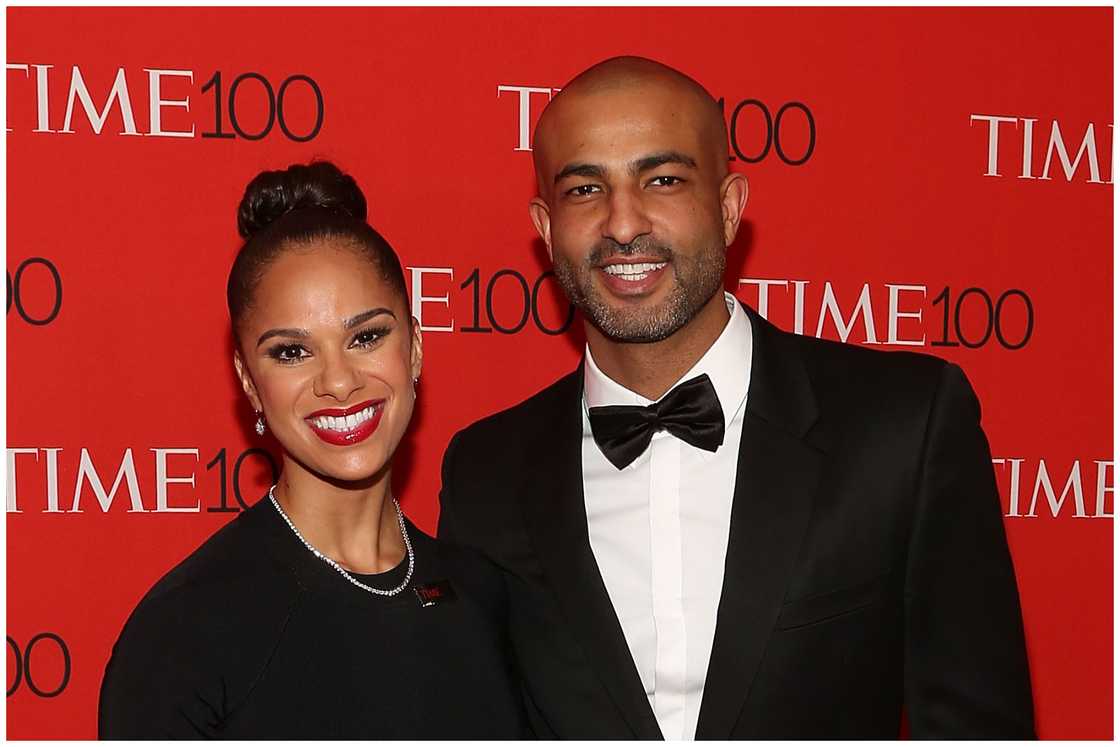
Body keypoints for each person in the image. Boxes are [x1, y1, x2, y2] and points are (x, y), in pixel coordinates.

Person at [437, 56, 1035, 739]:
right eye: (584, 190)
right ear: (545, 228)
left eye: (662, 180)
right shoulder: (485, 472)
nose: (623, 223)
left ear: (728, 208)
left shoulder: (902, 428)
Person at [99, 161, 528, 739]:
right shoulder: (184, 632)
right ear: (249, 381)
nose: (339, 381)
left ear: (417, 347)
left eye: (367, 337)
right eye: (291, 352)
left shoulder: (483, 595)